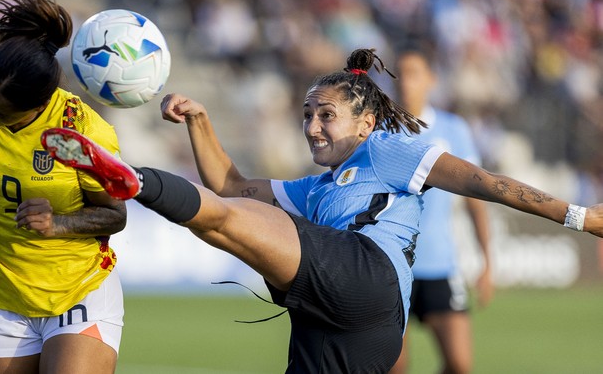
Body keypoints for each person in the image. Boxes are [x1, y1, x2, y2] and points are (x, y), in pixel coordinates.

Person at [41, 48, 603, 373]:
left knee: (224, 223)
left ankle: (132, 179)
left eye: (326, 115)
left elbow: (490, 184)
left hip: (368, 277)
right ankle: (135, 180)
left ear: (364, 121)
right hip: (353, 333)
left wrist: (582, 217)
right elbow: (232, 183)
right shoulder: (318, 189)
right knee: (228, 215)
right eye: (307, 115)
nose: (312, 127)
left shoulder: (389, 148)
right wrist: (199, 121)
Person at [0, 0, 128, 374]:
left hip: (77, 290)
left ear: (40, 106)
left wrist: (59, 223)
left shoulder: (82, 132)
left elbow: (116, 215)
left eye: (1, 112)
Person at [389, 49, 493, 374]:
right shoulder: (379, 130)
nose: (406, 82)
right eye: (399, 74)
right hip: (393, 266)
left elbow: (475, 199)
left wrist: (487, 261)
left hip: (440, 263)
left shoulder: (453, 129)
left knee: (459, 363)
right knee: (394, 367)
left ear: (431, 80)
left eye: (414, 73)